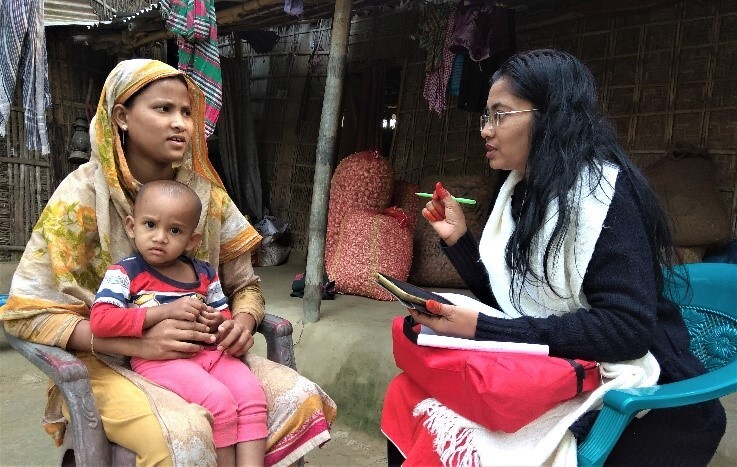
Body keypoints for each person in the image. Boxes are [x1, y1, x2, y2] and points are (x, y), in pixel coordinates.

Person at [381, 49, 726, 466]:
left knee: (458, 430)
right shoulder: (520, 192)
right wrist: (460, 241)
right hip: (564, 360)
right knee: (409, 391)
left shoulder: (603, 197)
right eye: (485, 118)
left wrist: (486, 329)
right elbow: (514, 299)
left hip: (637, 384)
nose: (486, 131)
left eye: (499, 115)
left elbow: (626, 328)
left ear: (550, 117)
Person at [0, 58, 336, 467]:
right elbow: (27, 316)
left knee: (298, 398)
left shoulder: (205, 197)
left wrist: (241, 324)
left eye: (187, 112)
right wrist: (138, 342)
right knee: (185, 431)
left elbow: (244, 286)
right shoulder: (80, 197)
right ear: (121, 117)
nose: (182, 123)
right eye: (164, 109)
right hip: (105, 359)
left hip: (203, 352)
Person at [90, 180, 268, 467]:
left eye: (174, 230)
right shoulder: (125, 272)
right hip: (161, 360)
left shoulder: (204, 273)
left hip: (210, 354)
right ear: (131, 226)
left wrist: (218, 322)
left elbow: (223, 317)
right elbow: (101, 320)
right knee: (219, 401)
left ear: (191, 240)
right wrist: (163, 312)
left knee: (252, 395)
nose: (160, 237)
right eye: (150, 225)